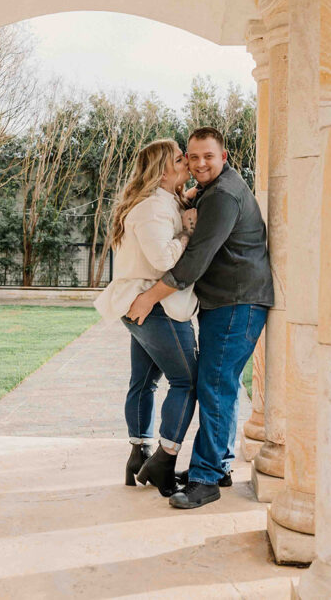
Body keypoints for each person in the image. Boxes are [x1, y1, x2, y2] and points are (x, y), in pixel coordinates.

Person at [127, 126, 273, 509]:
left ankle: (206, 478)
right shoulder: (214, 189)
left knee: (213, 385)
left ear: (224, 157)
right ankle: (218, 466)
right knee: (218, 384)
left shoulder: (223, 195)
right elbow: (192, 202)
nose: (201, 163)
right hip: (227, 301)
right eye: (193, 157)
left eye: (209, 156)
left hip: (236, 302)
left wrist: (148, 298)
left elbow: (193, 261)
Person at [94, 139, 200, 497]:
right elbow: (165, 260)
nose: (186, 161)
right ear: (162, 169)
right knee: (186, 381)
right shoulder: (154, 207)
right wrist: (187, 232)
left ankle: (138, 454)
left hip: (135, 304)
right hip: (156, 307)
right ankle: (163, 461)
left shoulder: (162, 201)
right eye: (179, 158)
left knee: (144, 381)